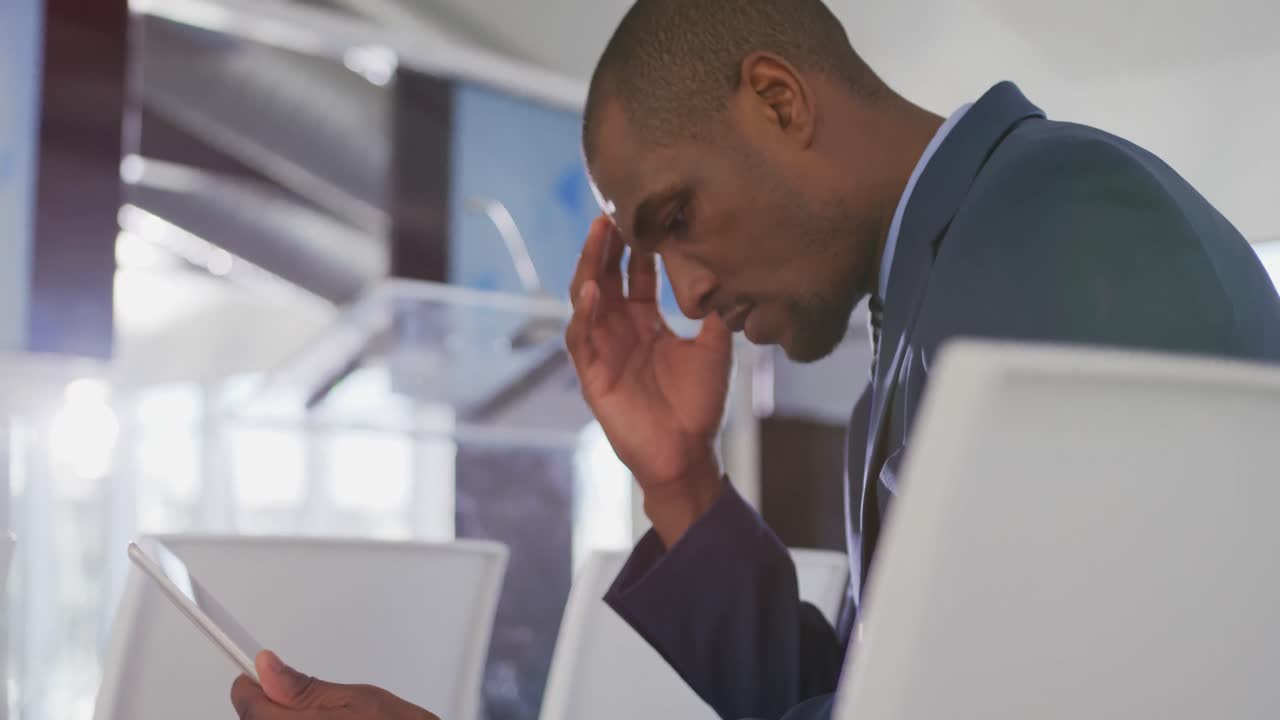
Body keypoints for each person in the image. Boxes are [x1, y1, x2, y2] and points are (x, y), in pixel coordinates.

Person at [229, 0, 1280, 719]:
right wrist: (679, 483)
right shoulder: (938, 296)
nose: (683, 296)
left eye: (675, 216)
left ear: (779, 102)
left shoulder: (1062, 225)